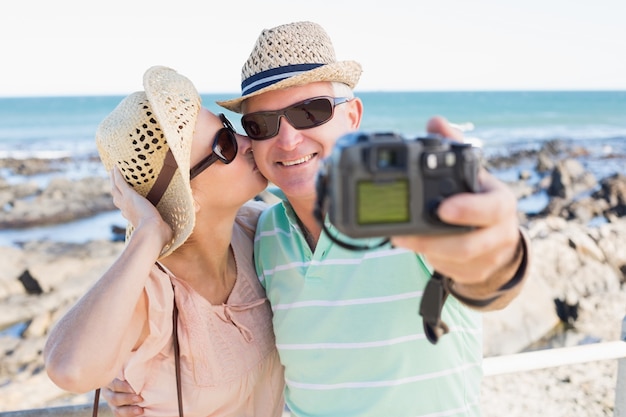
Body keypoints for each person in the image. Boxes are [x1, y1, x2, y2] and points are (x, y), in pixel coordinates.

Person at [105, 22, 530, 417]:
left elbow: (485, 275)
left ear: (353, 116)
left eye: (311, 111)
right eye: (262, 124)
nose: (287, 139)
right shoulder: (261, 234)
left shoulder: (408, 207)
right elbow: (213, 313)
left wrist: (499, 256)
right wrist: (147, 374)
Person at [43, 66, 285, 417]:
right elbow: (69, 369)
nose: (249, 143)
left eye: (230, 129)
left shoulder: (256, 230)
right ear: (188, 196)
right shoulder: (150, 294)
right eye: (226, 144)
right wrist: (147, 234)